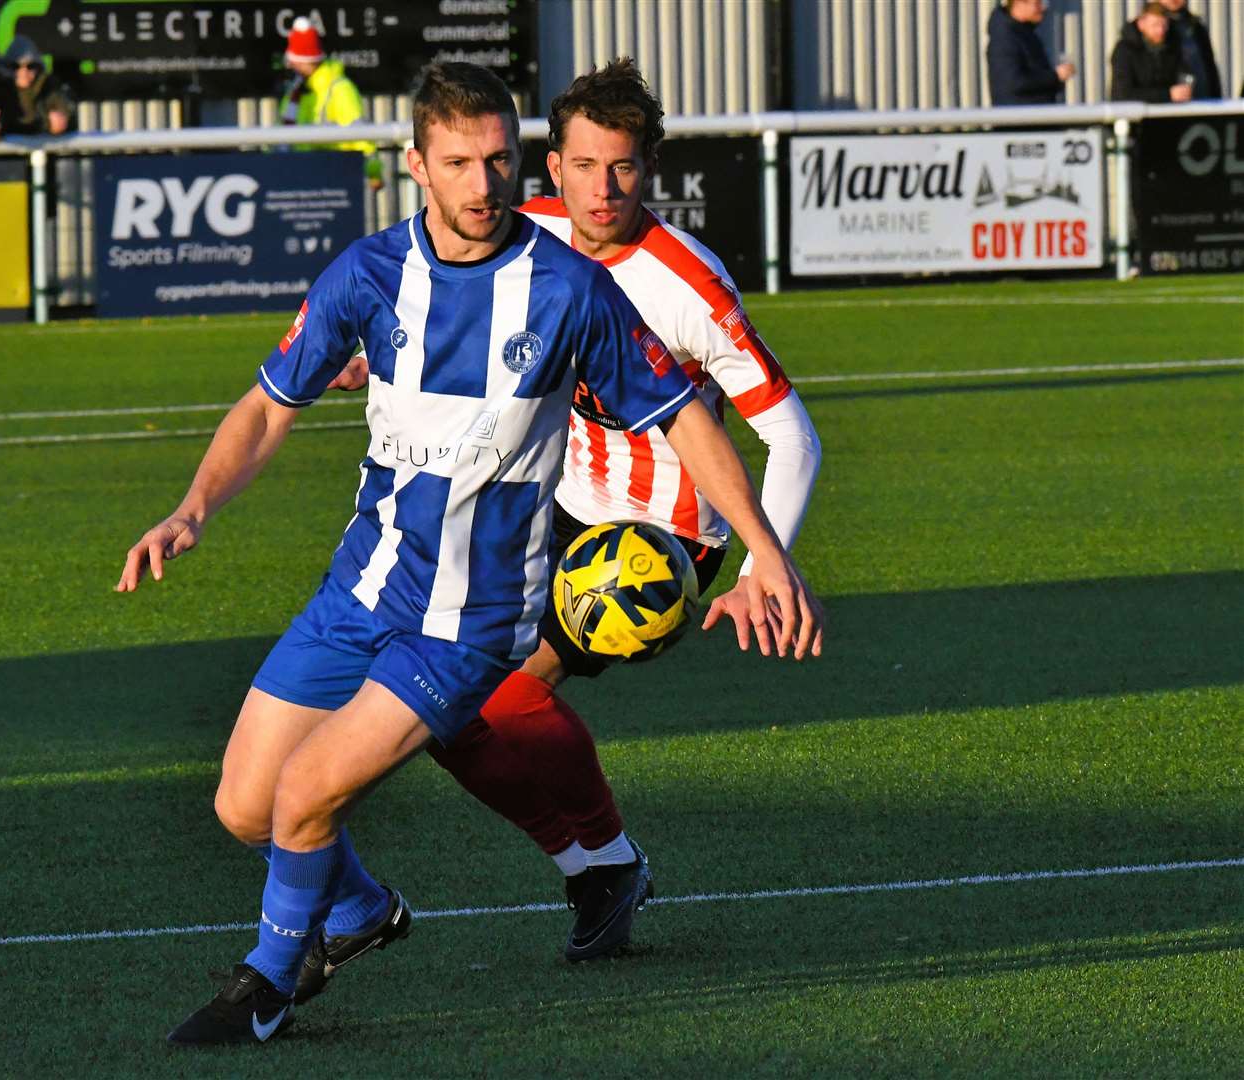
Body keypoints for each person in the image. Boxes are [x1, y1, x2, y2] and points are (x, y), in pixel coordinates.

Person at [118, 61, 822, 1047]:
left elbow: (689, 423)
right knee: (245, 807)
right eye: (459, 163)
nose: (484, 184)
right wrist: (193, 507)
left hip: (473, 613)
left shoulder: (569, 289)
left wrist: (763, 556)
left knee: (309, 791)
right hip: (359, 587)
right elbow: (269, 408)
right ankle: (361, 914)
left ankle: (268, 986)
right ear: (417, 166)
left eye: (497, 160)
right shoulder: (366, 275)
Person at [314, 58, 822, 970]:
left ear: (650, 168)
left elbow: (793, 436)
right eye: (584, 165)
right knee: (430, 697)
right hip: (552, 503)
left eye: (622, 167)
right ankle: (598, 863)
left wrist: (759, 568)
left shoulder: (687, 284)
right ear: (553, 168)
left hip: (656, 538)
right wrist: (371, 360)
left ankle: (602, 859)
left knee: (482, 689)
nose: (602, 188)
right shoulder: (525, 233)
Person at [279, 16, 384, 191]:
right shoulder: (295, 91)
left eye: (294, 59)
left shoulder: (340, 88)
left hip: (336, 180)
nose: (290, 64)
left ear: (304, 60)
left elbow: (361, 136)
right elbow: (280, 136)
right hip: (298, 179)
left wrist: (373, 174)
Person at [986, 0, 1074, 106]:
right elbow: (1013, 82)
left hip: (1034, 115)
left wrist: (1055, 80)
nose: (1043, 8)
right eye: (1037, 3)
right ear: (1019, 3)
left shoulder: (1024, 33)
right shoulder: (1005, 38)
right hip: (1019, 118)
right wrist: (1055, 76)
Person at [0, 35, 73, 137]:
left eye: (30, 66)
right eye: (16, 66)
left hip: (43, 150)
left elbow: (65, 110)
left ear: (38, 67)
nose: (24, 72)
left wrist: (61, 122)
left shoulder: (48, 87)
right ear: (6, 67)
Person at [1111, 2, 1192, 103]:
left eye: (1164, 25)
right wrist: (1167, 94)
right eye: (1155, 25)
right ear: (1141, 24)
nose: (1160, 30)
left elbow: (1182, 77)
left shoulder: (1173, 47)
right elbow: (1123, 94)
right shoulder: (1124, 50)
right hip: (1132, 117)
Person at [1160, 0, 1222, 99]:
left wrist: (1216, 97)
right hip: (1169, 106)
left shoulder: (1196, 26)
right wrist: (1166, 94)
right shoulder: (1149, 28)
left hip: (1203, 101)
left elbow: (1209, 66)